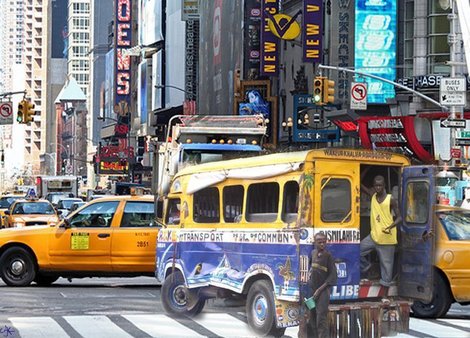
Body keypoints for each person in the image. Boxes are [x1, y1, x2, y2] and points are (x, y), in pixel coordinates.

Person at [360, 175, 402, 301]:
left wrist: (390, 226)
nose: (378, 188)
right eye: (376, 185)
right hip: (374, 236)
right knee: (356, 251)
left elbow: (400, 218)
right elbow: (362, 186)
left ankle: (384, 295)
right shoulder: (373, 194)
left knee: (387, 268)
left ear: (384, 186)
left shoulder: (391, 199)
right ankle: (368, 267)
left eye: (380, 186)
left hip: (387, 238)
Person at [307, 232, 337, 338]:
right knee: (312, 316)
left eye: (324, 242)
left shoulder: (328, 256)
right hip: (312, 291)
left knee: (321, 318)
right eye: (320, 242)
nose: (322, 244)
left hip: (323, 292)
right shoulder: (312, 253)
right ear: (314, 242)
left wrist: (319, 290)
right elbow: (310, 268)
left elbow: (332, 277)